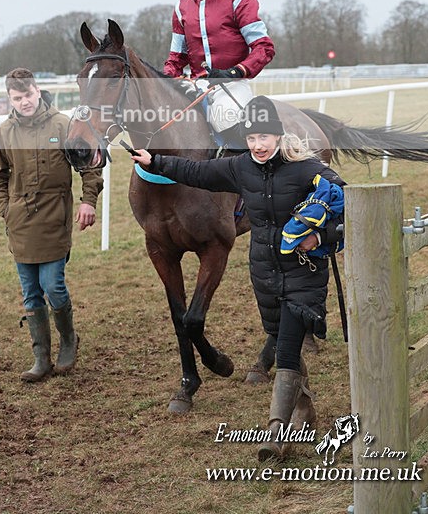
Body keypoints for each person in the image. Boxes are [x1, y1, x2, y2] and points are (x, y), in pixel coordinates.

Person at [130, 95, 345, 460]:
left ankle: (277, 432)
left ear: (279, 136)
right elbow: (196, 173)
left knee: (288, 347)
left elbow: (346, 203)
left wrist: (320, 237)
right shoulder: (241, 168)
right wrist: (156, 161)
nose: (259, 145)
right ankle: (305, 410)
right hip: (263, 272)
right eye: (251, 139)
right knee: (280, 337)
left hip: (302, 272)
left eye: (265, 137)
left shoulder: (308, 170)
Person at [0, 68, 103, 383]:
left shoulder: (63, 125)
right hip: (20, 223)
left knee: (53, 286)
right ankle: (40, 358)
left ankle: (68, 341)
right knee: (30, 293)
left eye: (28, 94)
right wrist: (5, 209)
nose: (24, 101)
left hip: (55, 219)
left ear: (38, 91)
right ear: (9, 98)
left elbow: (89, 167)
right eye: (17, 97)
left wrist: (88, 201)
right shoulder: (5, 132)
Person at [163, 0, 275, 143]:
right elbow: (176, 58)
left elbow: (264, 49)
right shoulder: (180, 8)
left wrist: (234, 71)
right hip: (196, 85)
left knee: (224, 118)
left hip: (233, 83)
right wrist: (164, 80)